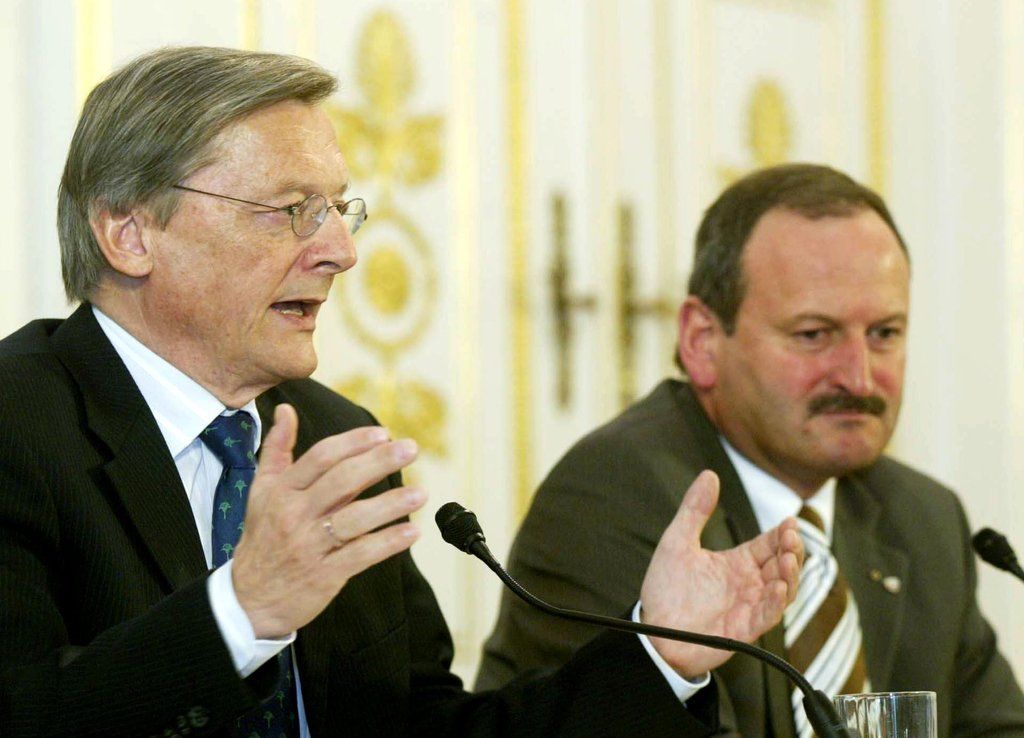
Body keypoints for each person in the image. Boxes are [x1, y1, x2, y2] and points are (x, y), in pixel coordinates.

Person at [0, 47, 804, 737]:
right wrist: (240, 614)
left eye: (335, 209)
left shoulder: (331, 441)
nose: (341, 251)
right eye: (291, 210)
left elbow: (425, 727)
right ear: (130, 233)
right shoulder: (17, 426)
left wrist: (660, 655)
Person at [475, 163, 1024, 737]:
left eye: (884, 333)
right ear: (702, 342)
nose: (860, 377)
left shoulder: (924, 518)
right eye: (814, 335)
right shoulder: (615, 497)